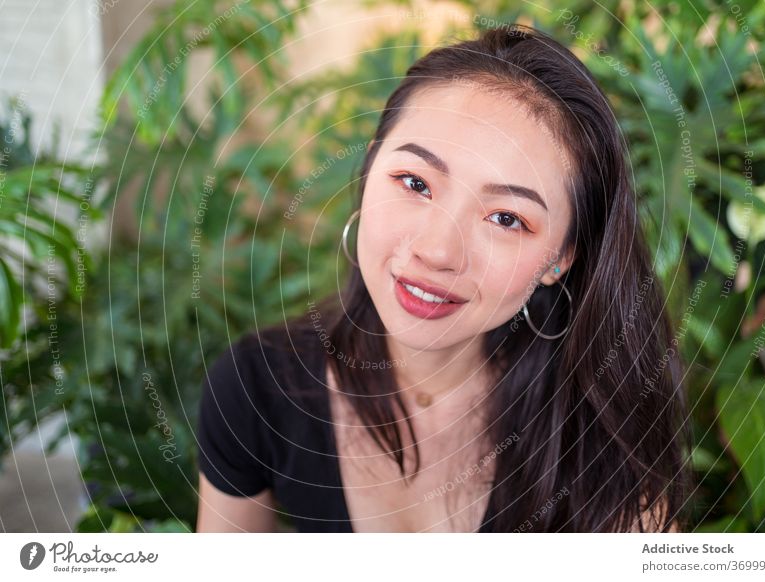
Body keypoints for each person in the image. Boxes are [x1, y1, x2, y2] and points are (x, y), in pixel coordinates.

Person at [196, 23, 691, 533]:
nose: (436, 251)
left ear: (560, 258)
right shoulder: (258, 386)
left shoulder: (599, 440)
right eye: (415, 182)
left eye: (506, 219)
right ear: (370, 166)